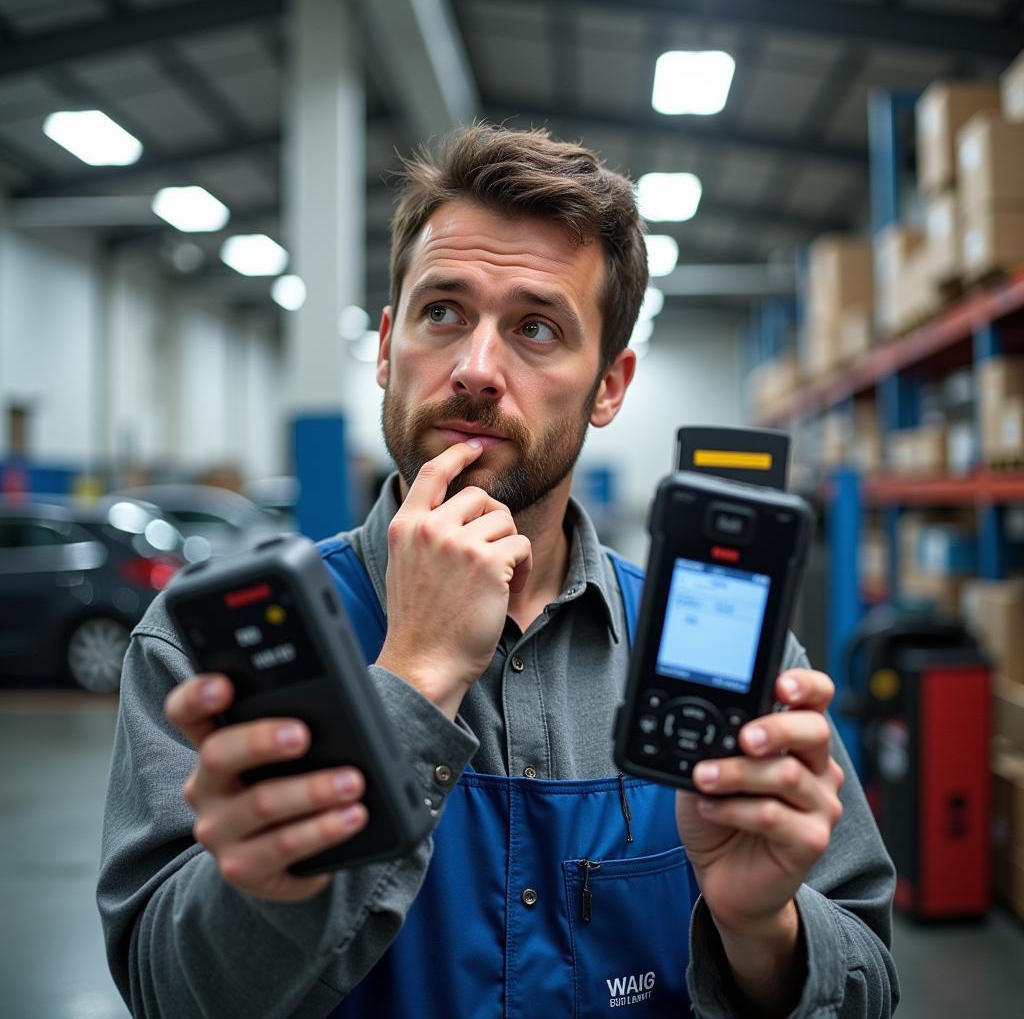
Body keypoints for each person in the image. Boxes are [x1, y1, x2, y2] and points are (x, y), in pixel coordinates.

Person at [98, 124, 898, 1018]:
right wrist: (411, 680)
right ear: (388, 345)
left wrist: (762, 932)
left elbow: (867, 978)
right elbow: (169, 995)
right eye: (443, 313)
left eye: (536, 328)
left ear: (609, 386)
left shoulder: (730, 655)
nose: (476, 369)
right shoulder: (211, 651)